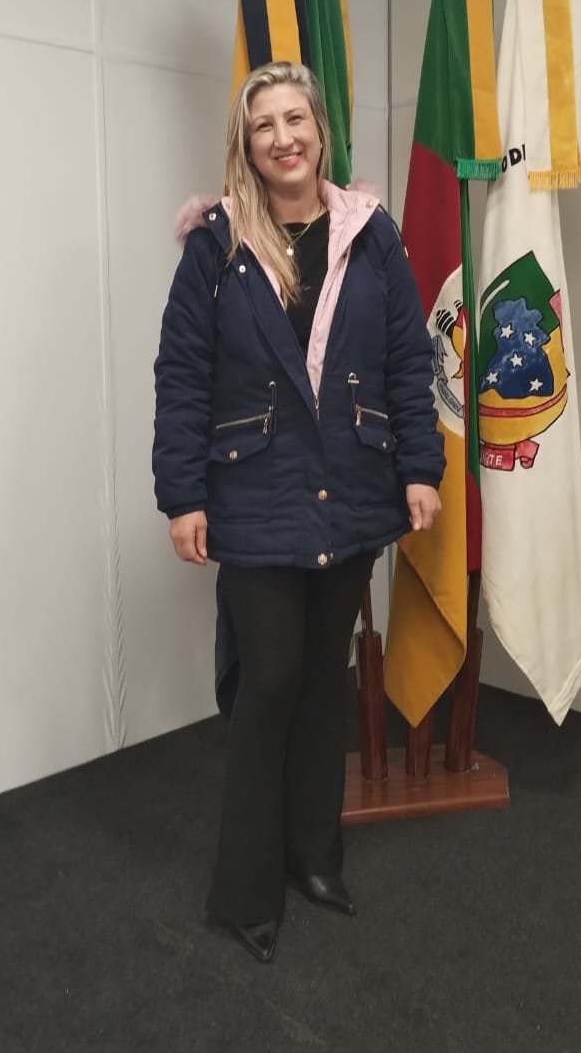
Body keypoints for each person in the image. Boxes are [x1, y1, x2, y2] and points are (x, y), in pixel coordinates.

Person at [152, 61, 445, 964]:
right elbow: (182, 378)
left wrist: (420, 469)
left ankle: (314, 857)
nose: (282, 138)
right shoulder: (215, 244)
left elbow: (407, 362)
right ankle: (244, 893)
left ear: (320, 130)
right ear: (244, 145)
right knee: (269, 680)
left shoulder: (372, 235)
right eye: (263, 125)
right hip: (253, 495)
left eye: (295, 119)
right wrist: (182, 495)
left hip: (352, 489)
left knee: (324, 679)